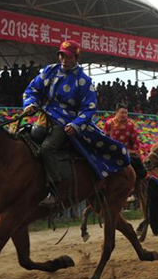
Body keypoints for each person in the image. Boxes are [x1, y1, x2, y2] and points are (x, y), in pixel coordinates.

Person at [22, 40, 131, 206]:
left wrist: (75, 125)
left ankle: (57, 189)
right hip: (44, 117)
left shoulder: (84, 80)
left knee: (47, 148)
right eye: (61, 55)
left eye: (68, 57)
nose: (64, 59)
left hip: (65, 122)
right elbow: (32, 90)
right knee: (22, 137)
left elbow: (89, 107)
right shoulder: (50, 70)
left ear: (77, 57)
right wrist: (31, 104)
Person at [103, 104, 146, 180]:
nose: (124, 115)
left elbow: (135, 142)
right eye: (122, 112)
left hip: (127, 153)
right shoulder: (109, 123)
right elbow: (105, 139)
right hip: (111, 152)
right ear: (116, 113)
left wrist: (133, 151)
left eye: (126, 113)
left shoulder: (130, 125)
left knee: (141, 172)